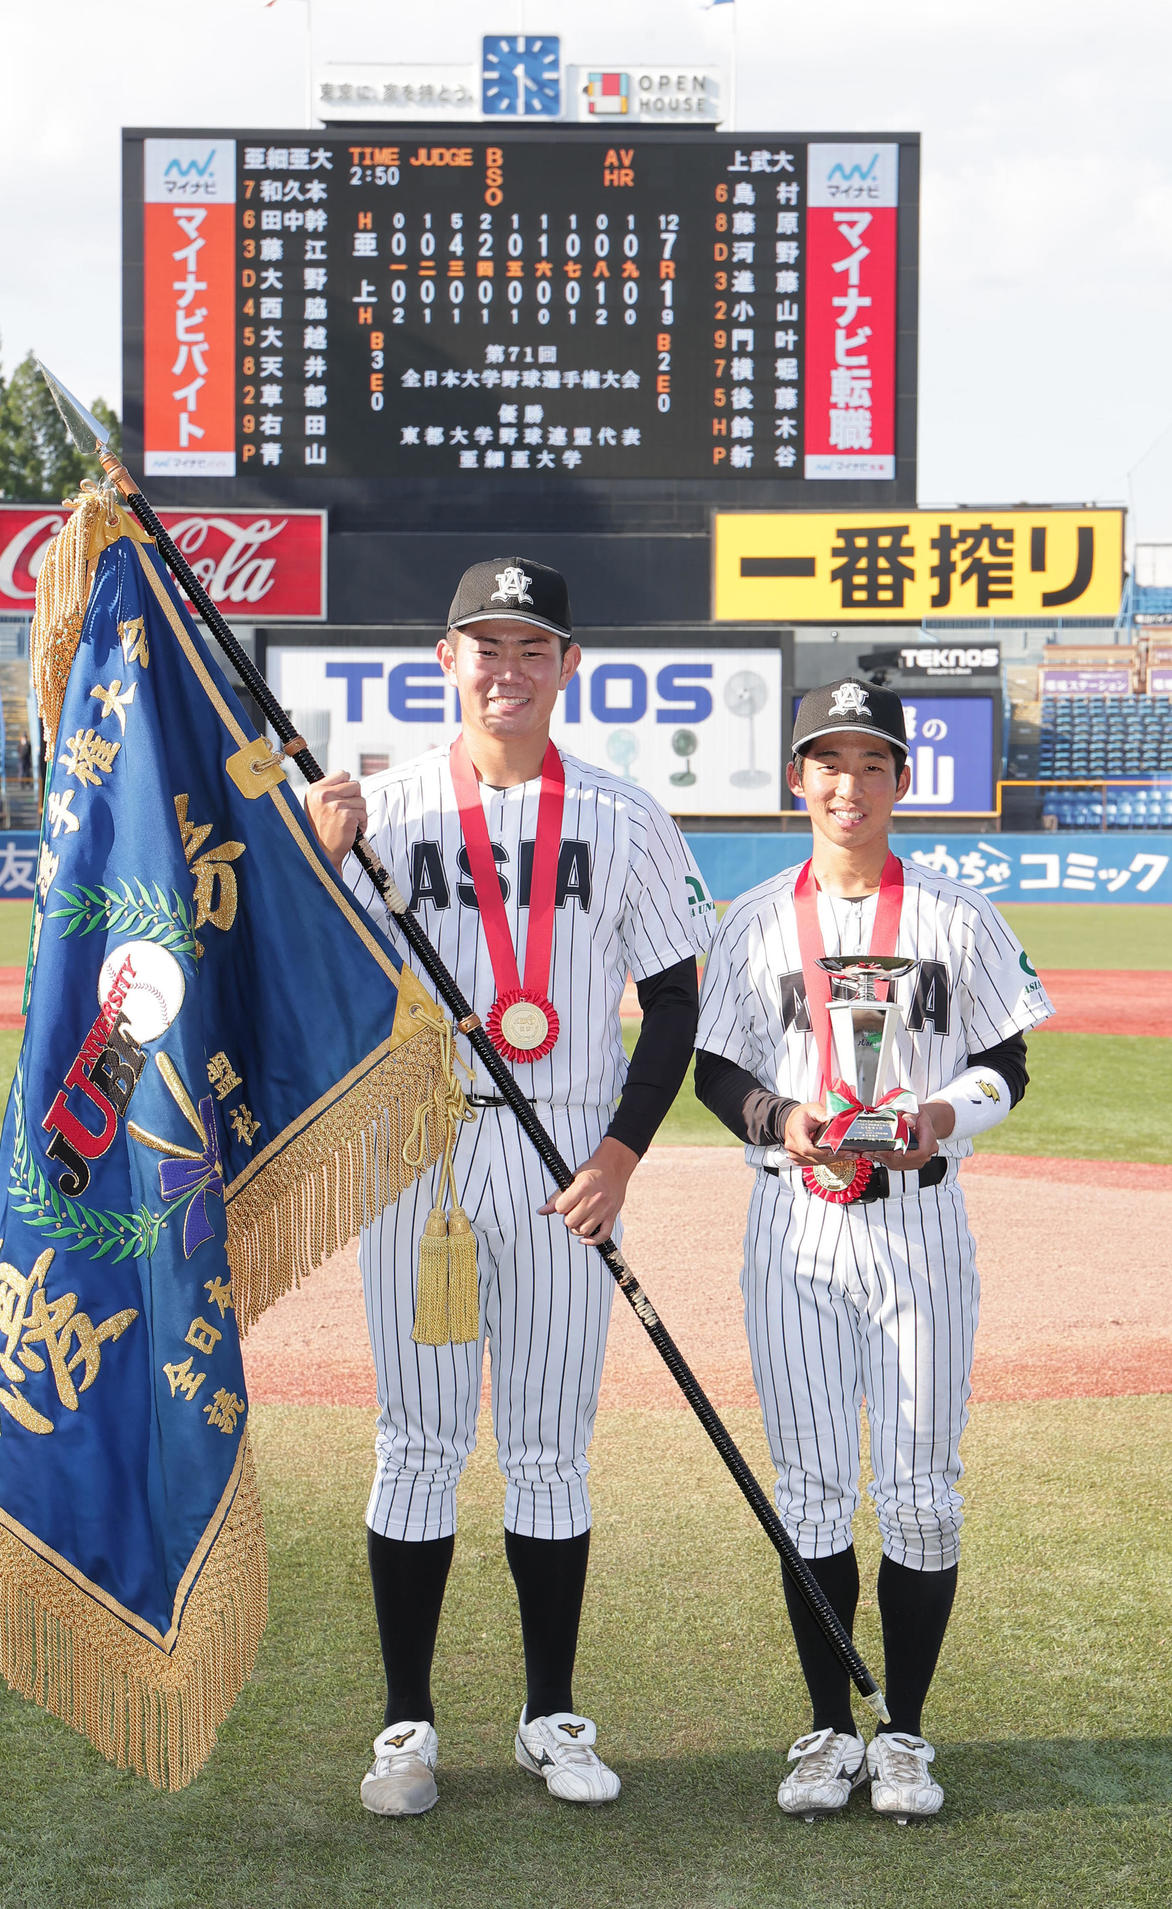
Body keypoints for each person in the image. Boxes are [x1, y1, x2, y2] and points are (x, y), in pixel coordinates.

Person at [305, 558, 714, 1817]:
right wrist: (314, 861)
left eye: (533, 647)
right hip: (416, 1150)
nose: (507, 667)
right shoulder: (376, 809)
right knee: (416, 1440)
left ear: (567, 669)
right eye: (485, 644)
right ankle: (405, 1725)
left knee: (547, 1445)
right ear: (445, 661)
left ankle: (550, 1714)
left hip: (563, 1154)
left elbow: (675, 1001)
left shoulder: (626, 815)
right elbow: (300, 975)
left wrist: (620, 1155)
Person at [694, 679, 1053, 1825]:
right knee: (806, 1489)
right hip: (793, 1220)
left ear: (903, 780)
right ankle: (825, 1730)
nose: (848, 786)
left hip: (920, 1224)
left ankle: (902, 1732)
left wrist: (943, 1116)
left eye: (871, 764)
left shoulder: (956, 913)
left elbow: (1008, 1061)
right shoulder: (753, 919)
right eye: (827, 764)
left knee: (918, 1494)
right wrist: (777, 1119)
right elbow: (715, 1070)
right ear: (798, 779)